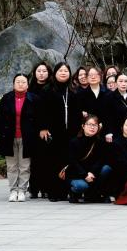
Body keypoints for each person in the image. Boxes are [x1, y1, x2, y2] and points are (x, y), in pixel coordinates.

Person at [0, 72, 41, 202]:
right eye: (18, 82)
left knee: (24, 166)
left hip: (27, 138)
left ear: (27, 85)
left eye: (23, 82)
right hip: (9, 137)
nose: (20, 84)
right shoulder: (6, 98)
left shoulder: (34, 99)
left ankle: (22, 190)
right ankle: (13, 190)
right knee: (11, 166)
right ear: (13, 84)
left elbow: (38, 119)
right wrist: (2, 133)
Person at [35, 63, 73, 201]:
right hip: (52, 132)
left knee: (66, 161)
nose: (63, 73)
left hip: (69, 132)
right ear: (55, 73)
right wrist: (43, 127)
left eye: (66, 71)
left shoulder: (72, 89)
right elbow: (41, 110)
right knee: (52, 162)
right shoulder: (48, 89)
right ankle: (53, 192)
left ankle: (65, 191)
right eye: (60, 70)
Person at [66, 114, 112, 203]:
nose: (92, 127)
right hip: (77, 174)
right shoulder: (74, 141)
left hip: (92, 173)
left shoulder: (100, 142)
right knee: (81, 186)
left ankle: (92, 194)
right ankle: (73, 192)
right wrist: (85, 175)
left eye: (95, 125)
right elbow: (73, 161)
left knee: (106, 168)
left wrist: (92, 172)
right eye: (89, 124)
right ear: (83, 126)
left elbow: (101, 160)